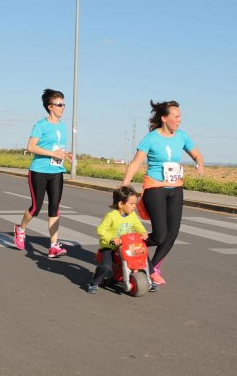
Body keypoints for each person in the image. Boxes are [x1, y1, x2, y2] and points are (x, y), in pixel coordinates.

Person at [121, 100, 204, 285]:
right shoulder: (151, 138)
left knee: (172, 233)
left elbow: (197, 154)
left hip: (175, 189)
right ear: (164, 118)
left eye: (180, 116)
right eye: (176, 116)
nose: (179, 120)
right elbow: (136, 163)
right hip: (155, 188)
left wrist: (200, 163)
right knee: (160, 235)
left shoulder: (182, 136)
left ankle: (152, 267)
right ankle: (131, 246)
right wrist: (125, 186)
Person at [13, 88, 73, 258]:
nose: (63, 107)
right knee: (36, 207)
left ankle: (54, 245)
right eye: (59, 104)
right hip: (39, 171)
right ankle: (21, 228)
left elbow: (56, 148)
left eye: (64, 104)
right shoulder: (41, 125)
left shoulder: (63, 126)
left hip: (57, 171)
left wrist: (64, 154)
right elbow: (31, 147)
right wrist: (52, 153)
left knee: (55, 207)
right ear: (50, 107)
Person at [86, 186, 154, 294]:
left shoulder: (132, 215)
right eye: (131, 204)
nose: (134, 206)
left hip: (126, 246)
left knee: (143, 254)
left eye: (135, 204)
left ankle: (149, 277)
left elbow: (137, 224)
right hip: (110, 247)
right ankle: (94, 283)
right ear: (121, 204)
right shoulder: (111, 216)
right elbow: (100, 230)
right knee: (106, 267)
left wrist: (143, 231)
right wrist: (111, 239)